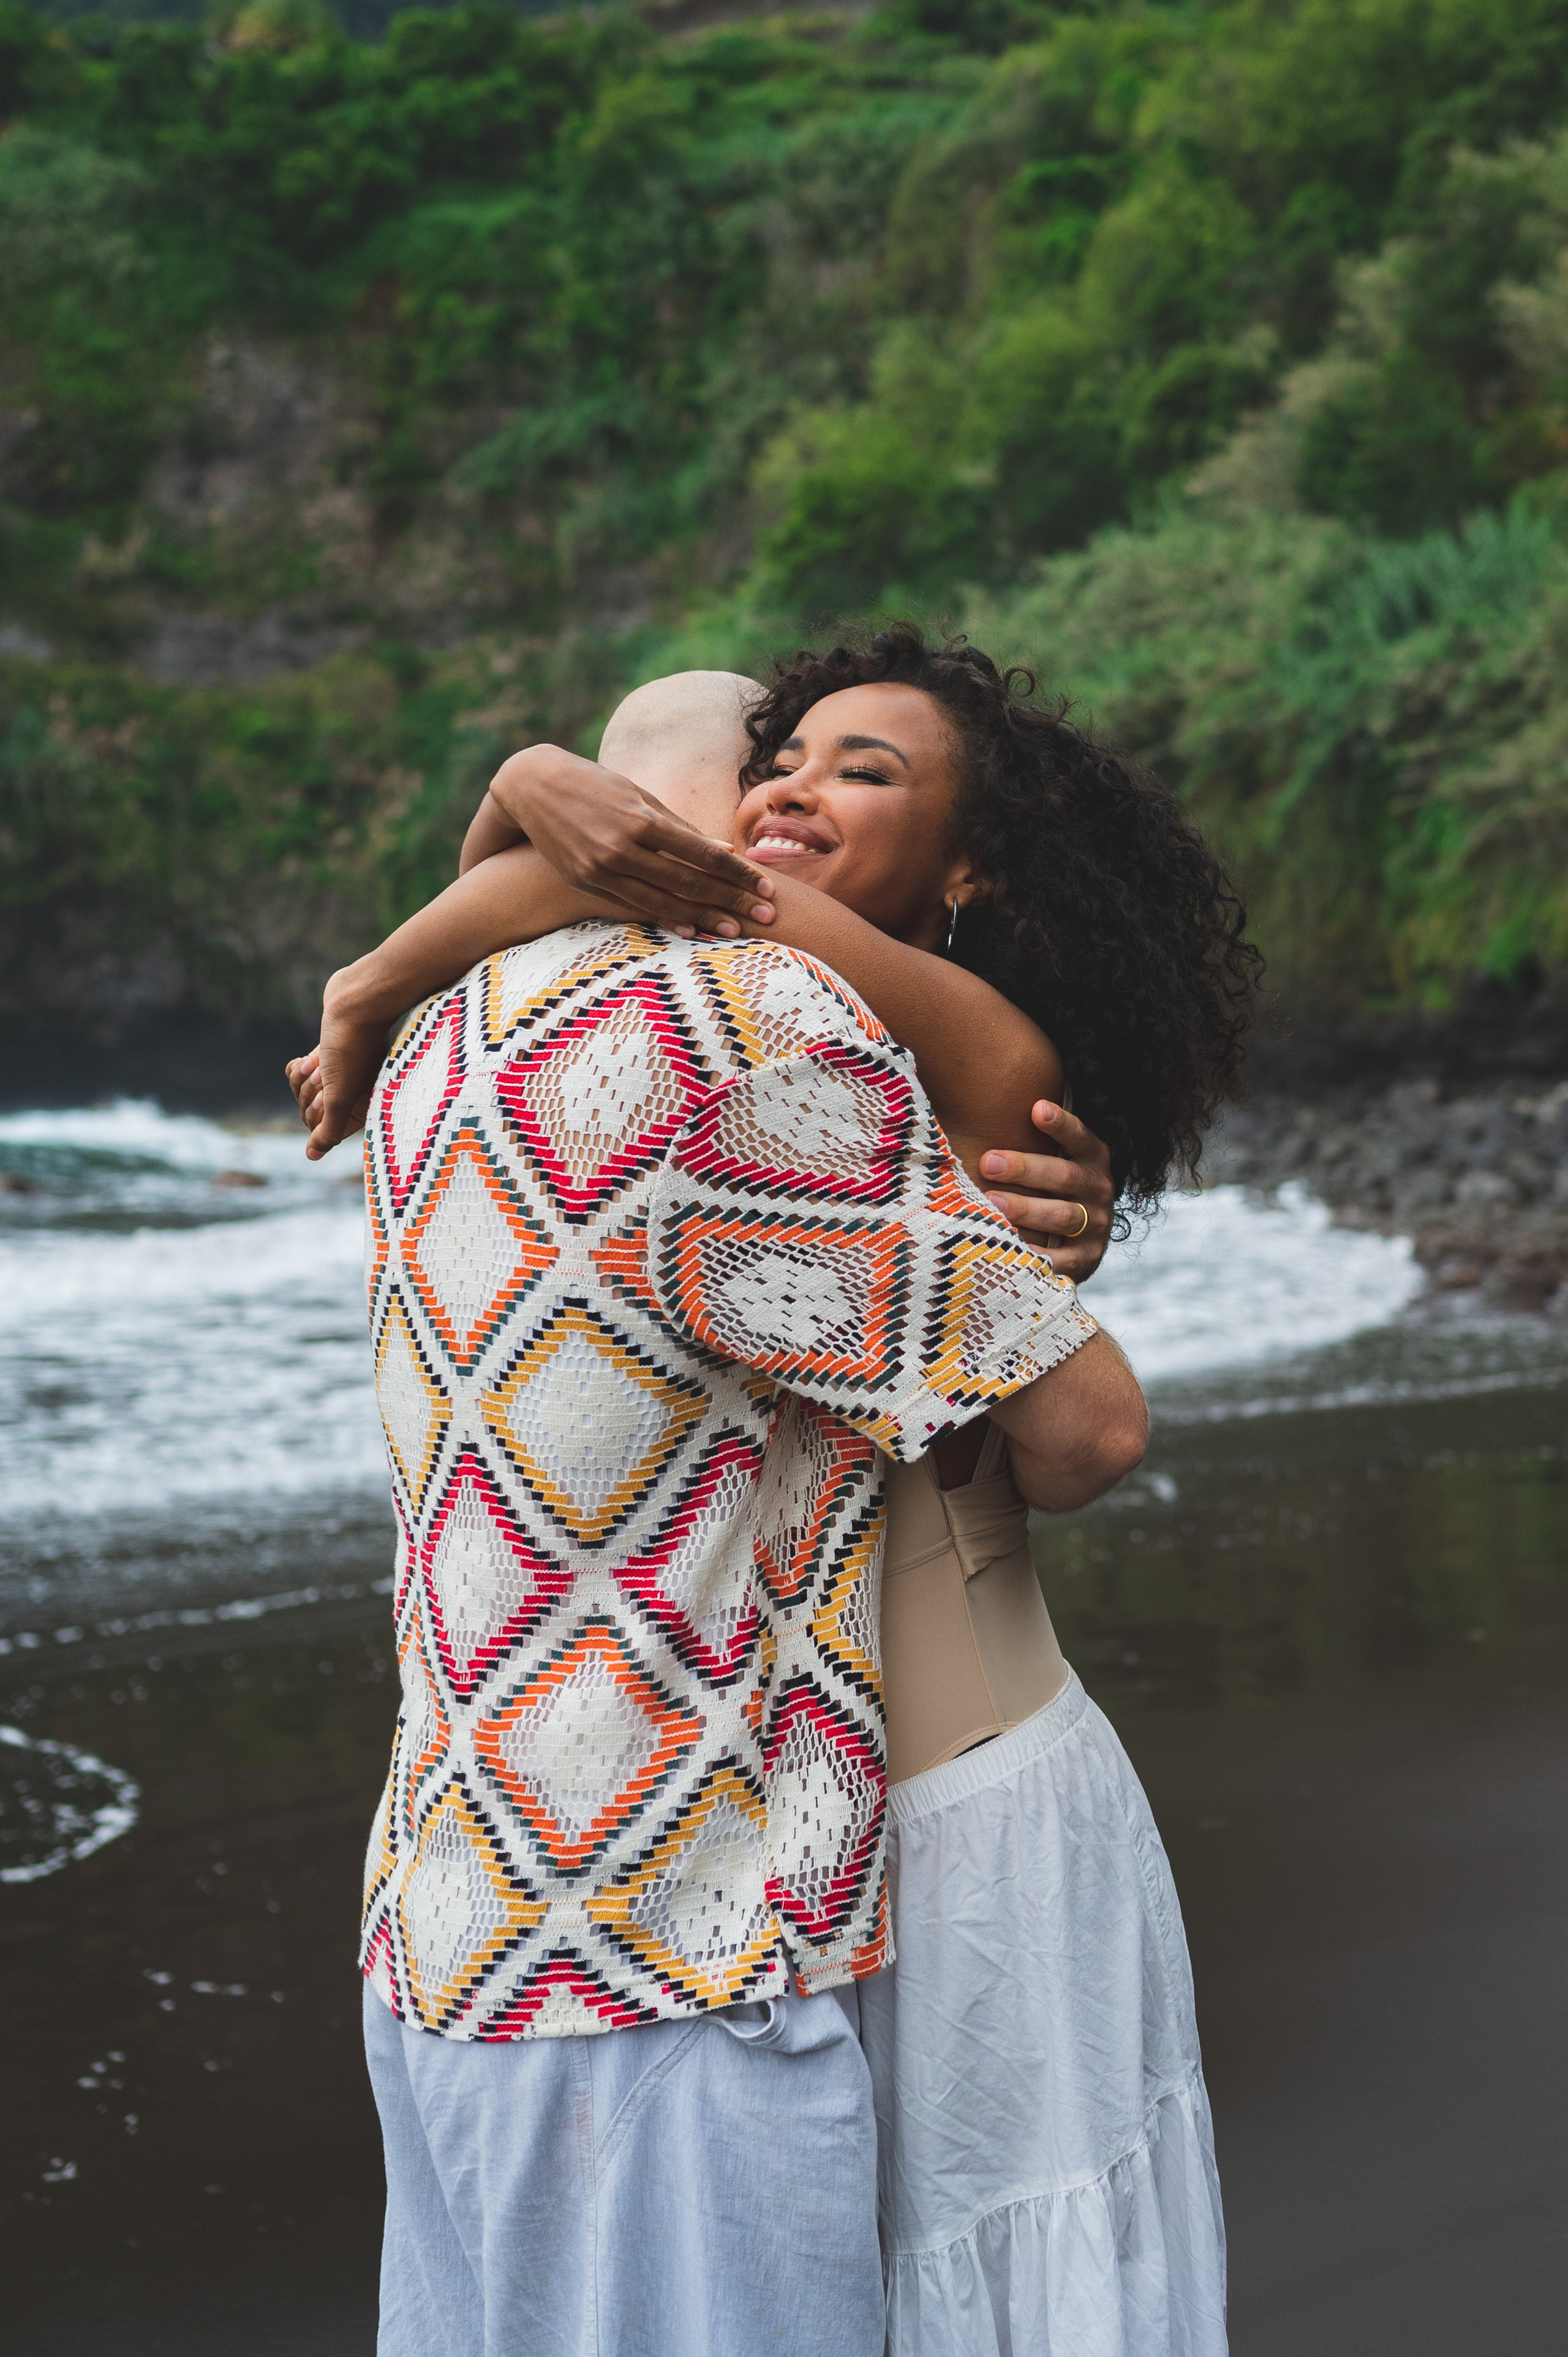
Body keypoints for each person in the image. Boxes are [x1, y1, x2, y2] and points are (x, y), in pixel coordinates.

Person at [293, 630, 1254, 2355]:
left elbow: (1084, 1429)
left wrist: (526, 817)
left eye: (859, 771)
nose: (791, 791)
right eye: (778, 761)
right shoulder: (765, 1029)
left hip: (949, 1805)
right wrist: (518, 830)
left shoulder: (838, 1039)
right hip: (773, 1841)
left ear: (970, 868)